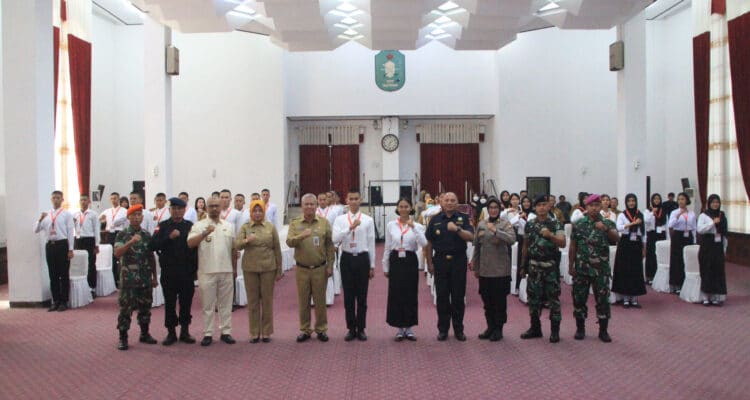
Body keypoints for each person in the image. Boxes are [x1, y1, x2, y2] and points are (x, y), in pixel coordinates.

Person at [568, 194, 619, 343]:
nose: (594, 208)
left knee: (602, 299)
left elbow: (617, 238)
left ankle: (603, 330)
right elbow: (573, 246)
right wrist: (570, 266)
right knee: (579, 299)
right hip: (582, 268)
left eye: (597, 205)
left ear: (602, 206)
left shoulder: (607, 222)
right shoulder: (578, 224)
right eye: (591, 205)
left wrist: (605, 229)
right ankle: (580, 328)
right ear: (586, 207)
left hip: (600, 269)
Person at [425, 192, 474, 342]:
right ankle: (443, 330)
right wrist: (429, 263)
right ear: (441, 202)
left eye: (453, 200)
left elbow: (471, 237)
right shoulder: (435, 220)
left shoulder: (464, 218)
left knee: (458, 297)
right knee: (442, 297)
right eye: (447, 200)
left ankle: (459, 329)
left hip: (458, 261)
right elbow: (429, 243)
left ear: (457, 202)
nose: (450, 202)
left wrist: (457, 229)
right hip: (440, 261)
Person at [187, 198, 237, 346]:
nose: (214, 209)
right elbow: (190, 243)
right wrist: (204, 233)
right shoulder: (198, 225)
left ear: (221, 207)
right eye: (211, 206)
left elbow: (235, 249)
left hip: (226, 270)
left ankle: (226, 332)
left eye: (217, 206)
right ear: (206, 208)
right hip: (206, 271)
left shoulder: (229, 226)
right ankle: (208, 333)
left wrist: (234, 268)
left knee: (226, 304)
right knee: (207, 305)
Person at [287, 193, 335, 342]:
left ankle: (321, 329)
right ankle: (305, 329)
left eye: (312, 204)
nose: (309, 207)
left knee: (320, 301)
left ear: (316, 206)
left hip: (320, 268)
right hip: (302, 269)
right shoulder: (295, 223)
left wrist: (330, 265)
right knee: (303, 301)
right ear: (302, 206)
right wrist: (301, 236)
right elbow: (289, 242)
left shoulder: (324, 223)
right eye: (306, 204)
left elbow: (329, 245)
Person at [150, 197, 198, 346]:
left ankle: (185, 331)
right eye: (174, 209)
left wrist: (195, 269)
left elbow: (196, 249)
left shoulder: (190, 226)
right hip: (169, 271)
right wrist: (168, 238)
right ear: (170, 210)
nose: (177, 211)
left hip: (186, 272)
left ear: (184, 210)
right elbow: (152, 245)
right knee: (170, 303)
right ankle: (171, 332)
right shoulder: (162, 226)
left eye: (180, 209)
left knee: (186, 303)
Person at [235, 200, 284, 343]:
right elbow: (237, 245)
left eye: (260, 211)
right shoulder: (245, 227)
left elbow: (277, 248)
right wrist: (246, 240)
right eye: (254, 211)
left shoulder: (270, 227)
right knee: (253, 301)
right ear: (250, 212)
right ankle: (254, 332)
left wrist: (279, 269)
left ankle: (267, 332)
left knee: (267, 301)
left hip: (268, 267)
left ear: (264, 212)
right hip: (250, 268)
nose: (257, 213)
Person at [520, 195, 566, 343]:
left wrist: (550, 235)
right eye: (538, 205)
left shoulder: (556, 224)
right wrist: (523, 265)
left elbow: (563, 243)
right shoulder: (530, 224)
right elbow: (525, 246)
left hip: (550, 266)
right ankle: (535, 328)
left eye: (544, 204)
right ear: (535, 207)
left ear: (549, 206)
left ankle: (555, 331)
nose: (541, 207)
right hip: (534, 266)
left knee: (553, 299)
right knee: (533, 298)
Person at [333, 189, 376, 341]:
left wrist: (372, 265)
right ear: (346, 199)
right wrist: (350, 228)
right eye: (351, 198)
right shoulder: (340, 220)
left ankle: (361, 328)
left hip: (362, 258)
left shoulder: (368, 220)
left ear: (361, 200)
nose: (353, 201)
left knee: (362, 297)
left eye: (356, 198)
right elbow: (334, 238)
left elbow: (371, 243)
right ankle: (351, 328)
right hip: (347, 258)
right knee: (349, 297)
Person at [113, 205, 158, 350]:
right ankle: (123, 337)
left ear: (142, 217)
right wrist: (131, 242)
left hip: (144, 278)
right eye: (134, 215)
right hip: (128, 280)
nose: (137, 217)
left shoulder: (146, 234)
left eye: (139, 215)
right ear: (128, 217)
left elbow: (151, 257)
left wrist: (154, 276)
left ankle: (144, 334)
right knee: (125, 309)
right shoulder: (122, 234)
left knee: (145, 307)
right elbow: (117, 253)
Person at [471, 197, 516, 342]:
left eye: (496, 208)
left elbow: (512, 239)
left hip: (500, 271)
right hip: (485, 270)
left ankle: (498, 328)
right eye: (491, 208)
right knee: (487, 302)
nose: (493, 210)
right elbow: (477, 247)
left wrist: (496, 231)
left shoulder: (505, 224)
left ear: (500, 209)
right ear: (487, 209)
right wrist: (476, 266)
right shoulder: (482, 224)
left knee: (499, 302)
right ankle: (490, 327)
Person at [383, 198, 426, 342]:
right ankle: (399, 328)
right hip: (396, 260)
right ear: (397, 208)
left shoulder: (418, 225)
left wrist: (413, 227)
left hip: (409, 259)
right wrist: (385, 265)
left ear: (411, 208)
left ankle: (409, 328)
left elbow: (424, 243)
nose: (403, 209)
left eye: (406, 206)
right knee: (396, 293)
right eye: (400, 206)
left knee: (410, 293)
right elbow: (388, 246)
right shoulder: (391, 225)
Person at [35, 190, 75, 312]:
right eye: (54, 198)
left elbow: (70, 232)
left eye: (58, 198)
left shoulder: (67, 214)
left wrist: (70, 249)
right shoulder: (46, 214)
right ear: (51, 199)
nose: (56, 200)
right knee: (52, 275)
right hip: (50, 246)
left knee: (63, 274)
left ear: (62, 200)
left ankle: (64, 301)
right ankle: (55, 301)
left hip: (62, 245)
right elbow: (35, 230)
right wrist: (40, 220)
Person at [612, 193, 647, 308]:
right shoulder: (622, 215)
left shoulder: (640, 215)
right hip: (625, 244)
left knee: (636, 270)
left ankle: (634, 298)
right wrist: (632, 223)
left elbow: (643, 233)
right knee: (625, 270)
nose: (631, 203)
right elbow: (619, 227)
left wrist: (644, 247)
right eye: (629, 201)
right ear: (626, 203)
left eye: (633, 201)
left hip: (636, 243)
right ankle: (626, 298)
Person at [697, 194, 727, 306]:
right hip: (707, 245)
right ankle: (705, 297)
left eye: (717, 202)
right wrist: (712, 223)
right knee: (707, 269)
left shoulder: (722, 215)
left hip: (718, 245)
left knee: (717, 270)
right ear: (709, 203)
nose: (715, 204)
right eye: (713, 202)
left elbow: (724, 233)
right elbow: (700, 229)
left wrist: (724, 248)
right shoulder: (704, 215)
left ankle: (715, 296)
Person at [667, 192, 697, 294]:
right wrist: (678, 216)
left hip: (688, 236)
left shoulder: (691, 213)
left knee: (687, 260)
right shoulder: (674, 212)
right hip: (678, 236)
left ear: (687, 201)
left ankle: (686, 283)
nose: (681, 201)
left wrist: (695, 240)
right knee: (677, 260)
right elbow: (670, 225)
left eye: (683, 199)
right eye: (679, 199)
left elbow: (694, 227)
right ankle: (676, 284)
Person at [74, 194, 100, 297]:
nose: (83, 202)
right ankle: (82, 287)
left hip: (89, 239)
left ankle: (92, 287)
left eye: (85, 200)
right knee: (80, 263)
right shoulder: (75, 214)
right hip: (78, 239)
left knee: (90, 264)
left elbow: (97, 230)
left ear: (89, 201)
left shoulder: (93, 214)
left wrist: (97, 244)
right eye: (81, 200)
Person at [100, 192, 127, 286]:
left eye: (115, 198)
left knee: (120, 257)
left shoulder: (124, 210)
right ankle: (114, 280)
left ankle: (122, 279)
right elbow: (100, 219)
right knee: (111, 256)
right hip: (110, 235)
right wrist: (102, 220)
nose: (113, 200)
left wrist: (112, 222)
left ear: (119, 199)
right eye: (112, 198)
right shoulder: (107, 211)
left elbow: (120, 221)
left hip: (119, 234)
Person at [644, 193, 668, 284]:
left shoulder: (663, 210)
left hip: (661, 234)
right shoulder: (648, 210)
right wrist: (652, 213)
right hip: (652, 234)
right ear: (652, 200)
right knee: (651, 255)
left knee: (660, 255)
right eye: (655, 199)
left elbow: (666, 223)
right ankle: (650, 276)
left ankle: (659, 276)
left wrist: (668, 237)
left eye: (658, 199)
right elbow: (646, 221)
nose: (657, 200)